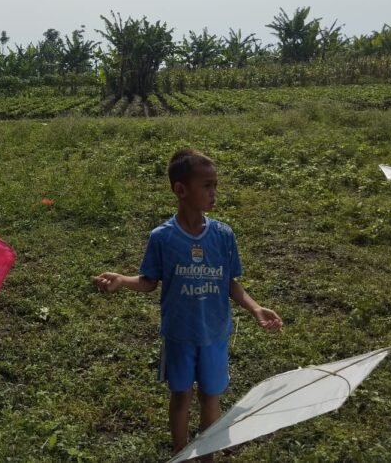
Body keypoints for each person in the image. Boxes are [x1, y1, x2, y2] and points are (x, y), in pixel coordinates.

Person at [93, 148, 282, 462]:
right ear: (181, 190)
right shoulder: (163, 238)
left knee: (211, 398)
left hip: (215, 334)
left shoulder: (223, 235)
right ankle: (180, 453)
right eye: (206, 186)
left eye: (215, 185)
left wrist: (255, 308)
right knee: (181, 395)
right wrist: (122, 280)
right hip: (179, 334)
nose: (214, 193)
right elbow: (149, 281)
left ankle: (206, 454)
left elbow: (230, 282)